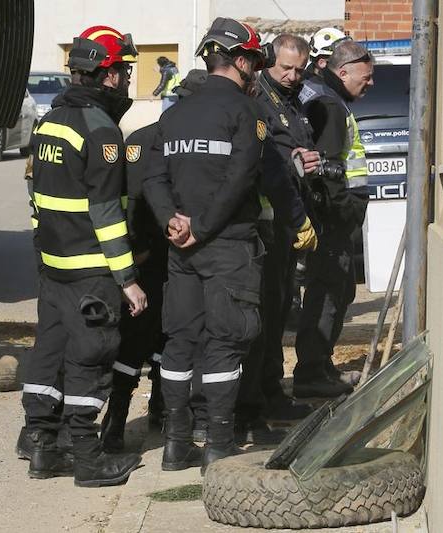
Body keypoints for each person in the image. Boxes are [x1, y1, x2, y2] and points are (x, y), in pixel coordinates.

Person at [20, 25, 147, 487]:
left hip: (53, 267)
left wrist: (43, 252)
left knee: (48, 351)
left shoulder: (49, 121)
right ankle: (90, 461)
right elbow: (108, 213)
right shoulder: (100, 130)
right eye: (125, 71)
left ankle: (40, 446)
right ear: (108, 76)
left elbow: (35, 197)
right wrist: (128, 278)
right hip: (91, 272)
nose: (129, 80)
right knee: (91, 358)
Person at [144, 17, 273, 473]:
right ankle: (218, 444)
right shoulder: (248, 113)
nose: (256, 71)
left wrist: (171, 225)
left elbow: (153, 178)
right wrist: (202, 226)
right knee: (225, 341)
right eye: (254, 62)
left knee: (180, 341)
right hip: (227, 245)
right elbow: (241, 179)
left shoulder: (174, 113)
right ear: (240, 60)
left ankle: (176, 443)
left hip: (181, 250)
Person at [235, 33, 320, 429]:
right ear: (269, 61)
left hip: (287, 220)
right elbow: (264, 157)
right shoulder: (257, 99)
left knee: (281, 306)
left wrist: (307, 159)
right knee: (266, 315)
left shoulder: (293, 99)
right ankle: (261, 397)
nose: (291, 75)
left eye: (298, 69)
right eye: (284, 67)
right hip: (267, 225)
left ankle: (271, 391)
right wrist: (291, 159)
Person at [293, 38, 374, 398]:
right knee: (328, 293)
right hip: (331, 220)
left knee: (334, 292)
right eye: (366, 76)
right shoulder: (328, 104)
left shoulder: (325, 96)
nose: (370, 83)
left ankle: (320, 366)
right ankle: (312, 373)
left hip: (329, 217)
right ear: (343, 72)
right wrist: (347, 211)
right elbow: (327, 173)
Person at [98, 122, 169, 452]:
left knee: (149, 338)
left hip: (145, 253)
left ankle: (119, 423)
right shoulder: (159, 139)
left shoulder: (141, 136)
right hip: (155, 255)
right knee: (150, 337)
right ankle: (127, 419)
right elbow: (134, 200)